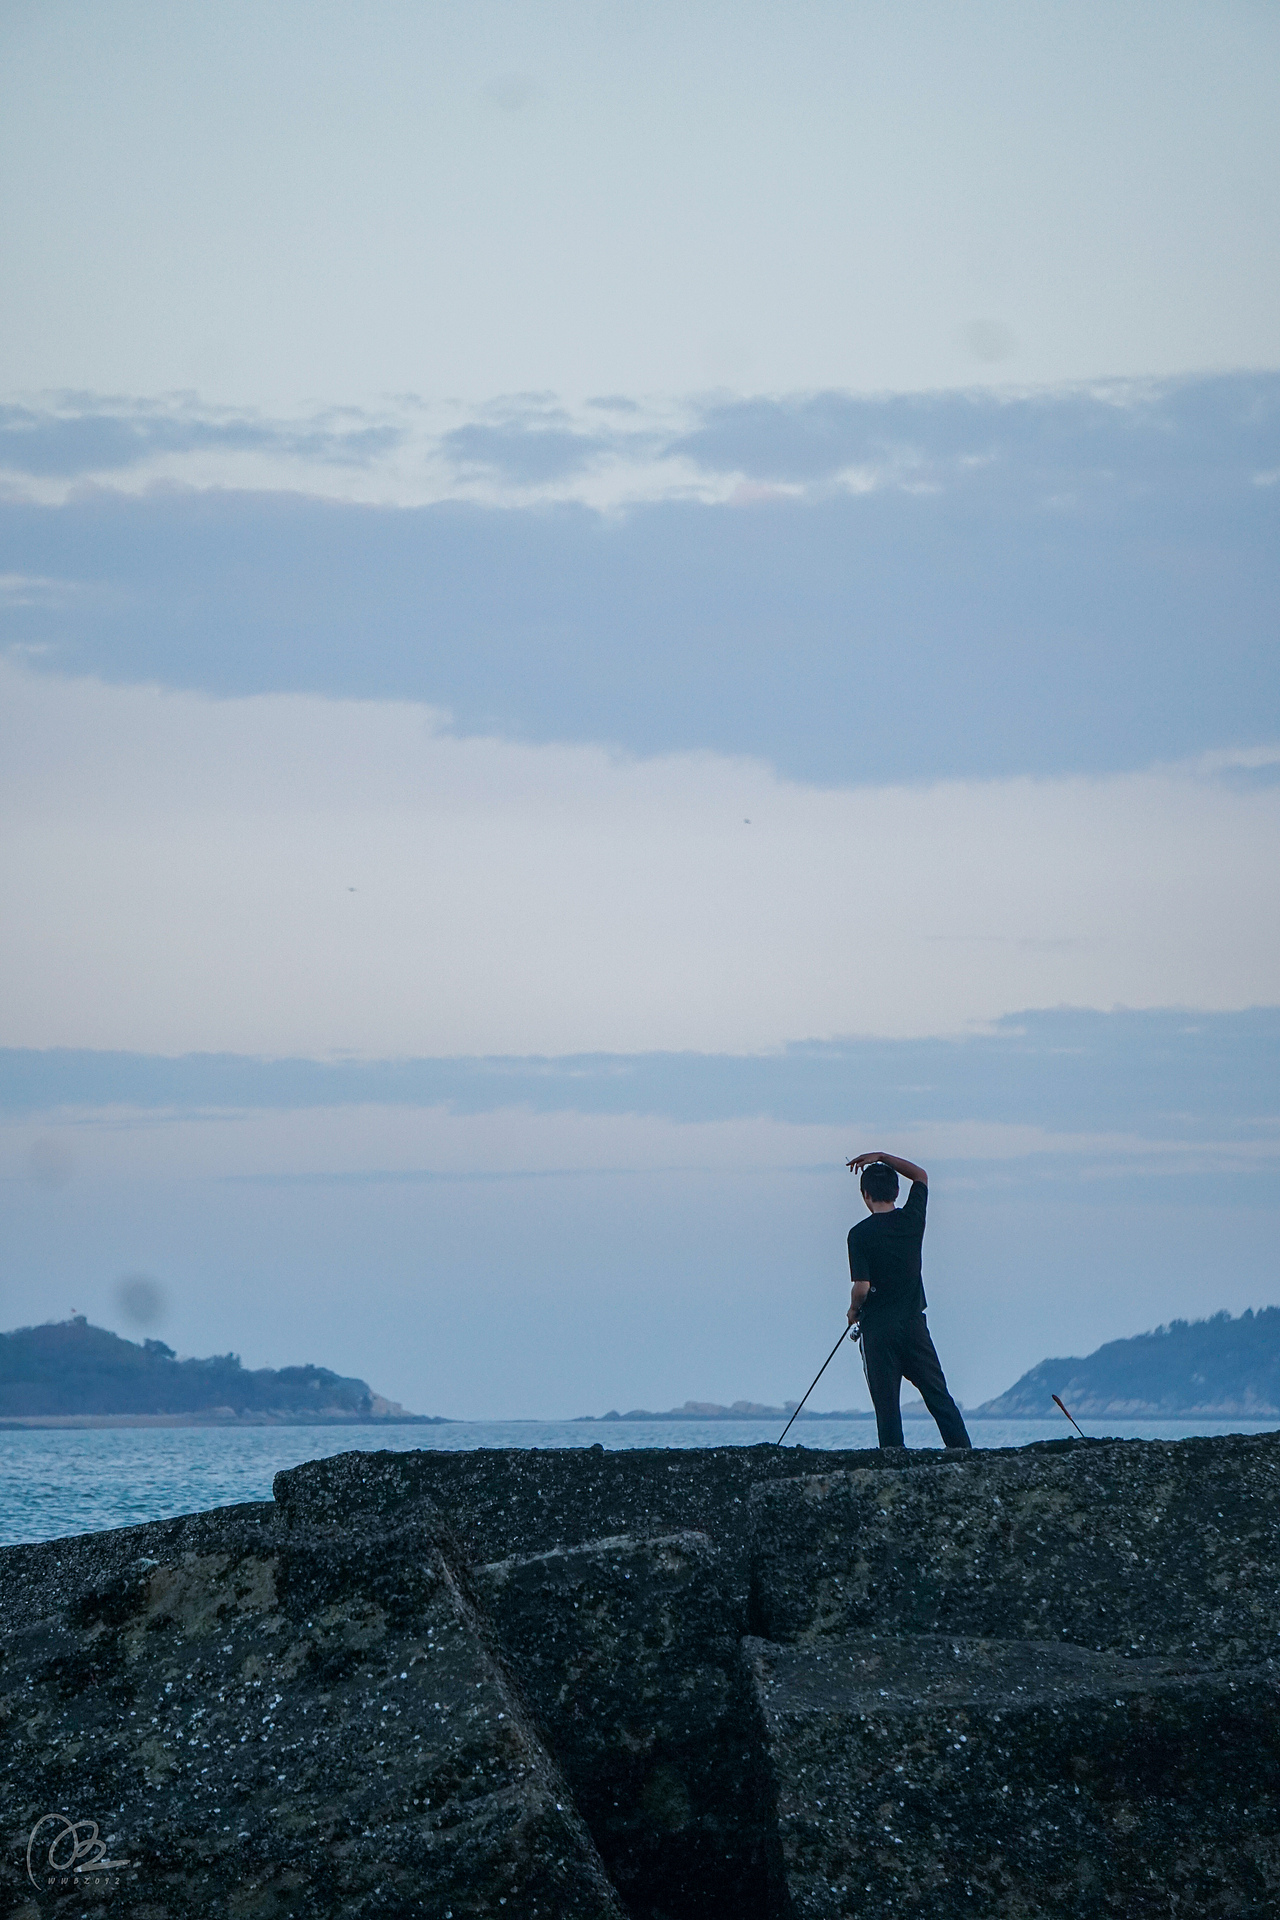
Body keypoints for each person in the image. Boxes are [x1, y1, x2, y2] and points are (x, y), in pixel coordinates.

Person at [845, 1150, 971, 1451]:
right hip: (913, 1324)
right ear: (897, 1191)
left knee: (886, 1404)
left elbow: (862, 1286)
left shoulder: (859, 1235)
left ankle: (893, 1460)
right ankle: (964, 1453)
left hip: (878, 1330)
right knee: (937, 1394)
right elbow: (921, 1175)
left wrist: (853, 1310)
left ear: (865, 1195)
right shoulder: (912, 1219)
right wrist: (881, 1156)